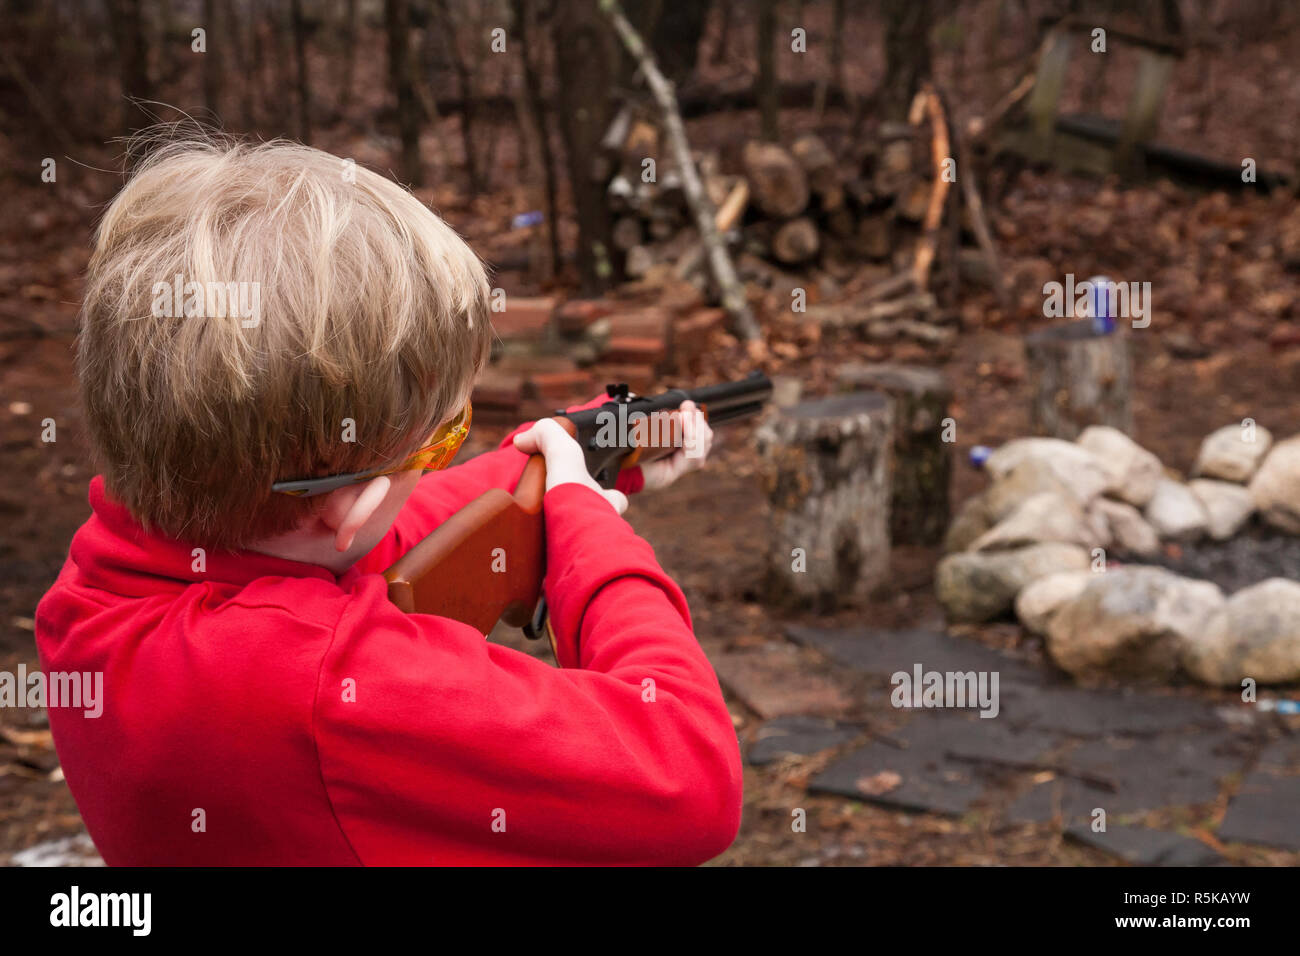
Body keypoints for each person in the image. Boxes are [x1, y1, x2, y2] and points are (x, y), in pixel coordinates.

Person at [35, 135, 742, 865]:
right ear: (347, 507)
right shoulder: (321, 689)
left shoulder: (103, 586)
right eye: (446, 438)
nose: (451, 454)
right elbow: (689, 777)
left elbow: (375, 534)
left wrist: (581, 456)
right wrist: (594, 540)